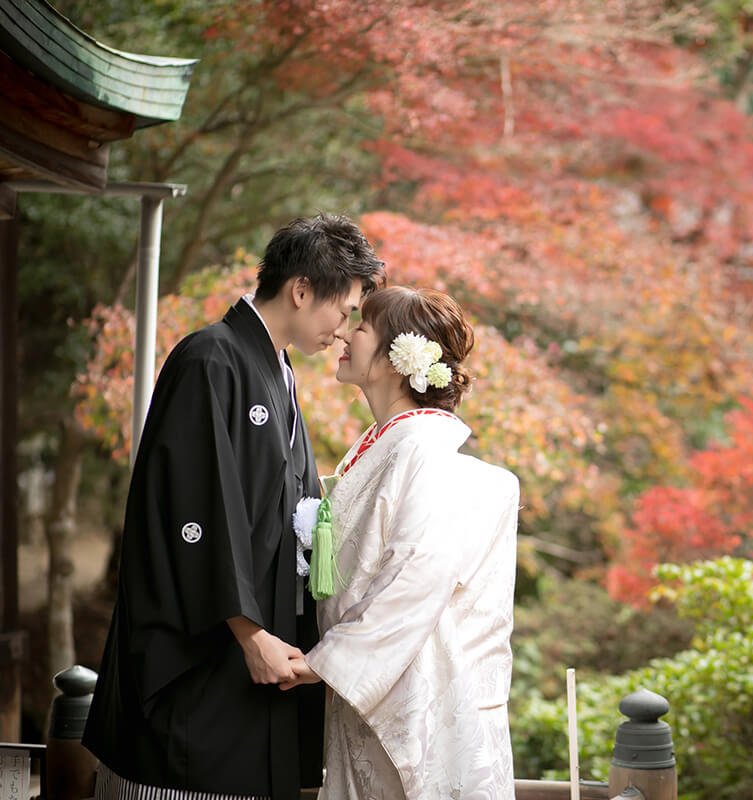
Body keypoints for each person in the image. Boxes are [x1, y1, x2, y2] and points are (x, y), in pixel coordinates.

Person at [83, 213, 385, 800]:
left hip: (254, 655)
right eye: (344, 310)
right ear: (301, 290)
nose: (345, 330)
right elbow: (193, 511)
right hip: (207, 652)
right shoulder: (210, 359)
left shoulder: (277, 371)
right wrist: (248, 632)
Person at [282, 286, 519, 800]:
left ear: (398, 358)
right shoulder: (391, 441)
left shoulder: (424, 449)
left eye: (361, 326)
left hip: (406, 684)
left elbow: (418, 572)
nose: (344, 332)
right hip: (371, 682)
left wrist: (325, 661)